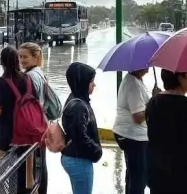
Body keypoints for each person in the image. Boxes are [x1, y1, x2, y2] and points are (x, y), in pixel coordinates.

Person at [0, 46, 37, 162]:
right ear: (17, 61)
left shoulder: (1, 82)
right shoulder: (28, 79)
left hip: (8, 133)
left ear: (2, 62)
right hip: (27, 132)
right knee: (25, 172)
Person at [112, 68, 160, 194]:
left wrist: (153, 99)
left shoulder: (135, 80)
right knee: (139, 177)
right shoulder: (133, 84)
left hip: (130, 134)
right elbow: (138, 117)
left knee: (134, 174)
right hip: (133, 136)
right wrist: (154, 101)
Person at [61, 62, 102, 194]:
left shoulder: (76, 99)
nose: (94, 85)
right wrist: (96, 150)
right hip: (79, 159)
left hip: (75, 156)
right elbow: (80, 135)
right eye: (91, 82)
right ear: (82, 83)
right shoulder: (79, 106)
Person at [19, 42, 50, 194]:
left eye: (25, 57)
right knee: (41, 164)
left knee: (32, 168)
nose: (22, 60)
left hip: (33, 126)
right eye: (20, 57)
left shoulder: (29, 76)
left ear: (35, 57)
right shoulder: (40, 72)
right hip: (42, 123)